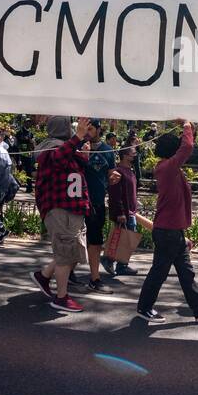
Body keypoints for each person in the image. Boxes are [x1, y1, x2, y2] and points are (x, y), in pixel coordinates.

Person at [136, 119, 198, 324]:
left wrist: (191, 129)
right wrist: (187, 125)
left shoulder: (168, 167)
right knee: (159, 272)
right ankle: (144, 307)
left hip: (173, 230)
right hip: (168, 231)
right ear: (174, 150)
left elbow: (187, 145)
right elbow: (187, 146)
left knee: (186, 272)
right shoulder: (168, 167)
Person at [30, 116, 92, 313]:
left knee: (74, 251)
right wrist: (78, 138)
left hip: (74, 208)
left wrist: (82, 149)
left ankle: (44, 275)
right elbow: (58, 158)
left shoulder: (70, 148)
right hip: (60, 208)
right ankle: (61, 297)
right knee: (66, 252)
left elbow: (73, 170)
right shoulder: (51, 148)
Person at [80, 120, 115, 292]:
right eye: (85, 128)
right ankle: (68, 274)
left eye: (91, 128)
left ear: (99, 130)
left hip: (97, 203)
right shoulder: (77, 147)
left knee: (95, 241)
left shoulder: (108, 151)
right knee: (73, 240)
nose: (87, 132)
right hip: (76, 202)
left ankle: (95, 278)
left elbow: (111, 174)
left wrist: (115, 177)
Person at [102, 142, 141, 277]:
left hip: (131, 211)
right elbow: (115, 194)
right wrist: (120, 212)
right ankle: (111, 260)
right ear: (125, 156)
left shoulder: (131, 171)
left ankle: (121, 264)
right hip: (124, 213)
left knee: (125, 239)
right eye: (133, 153)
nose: (135, 155)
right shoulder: (118, 172)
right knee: (123, 239)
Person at [15, 123, 36, 194]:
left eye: (29, 122)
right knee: (19, 170)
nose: (28, 124)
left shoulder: (31, 133)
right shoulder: (19, 132)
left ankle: (29, 187)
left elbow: (33, 144)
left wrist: (32, 143)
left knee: (28, 172)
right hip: (20, 154)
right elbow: (16, 144)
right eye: (27, 122)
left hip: (28, 155)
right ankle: (15, 186)